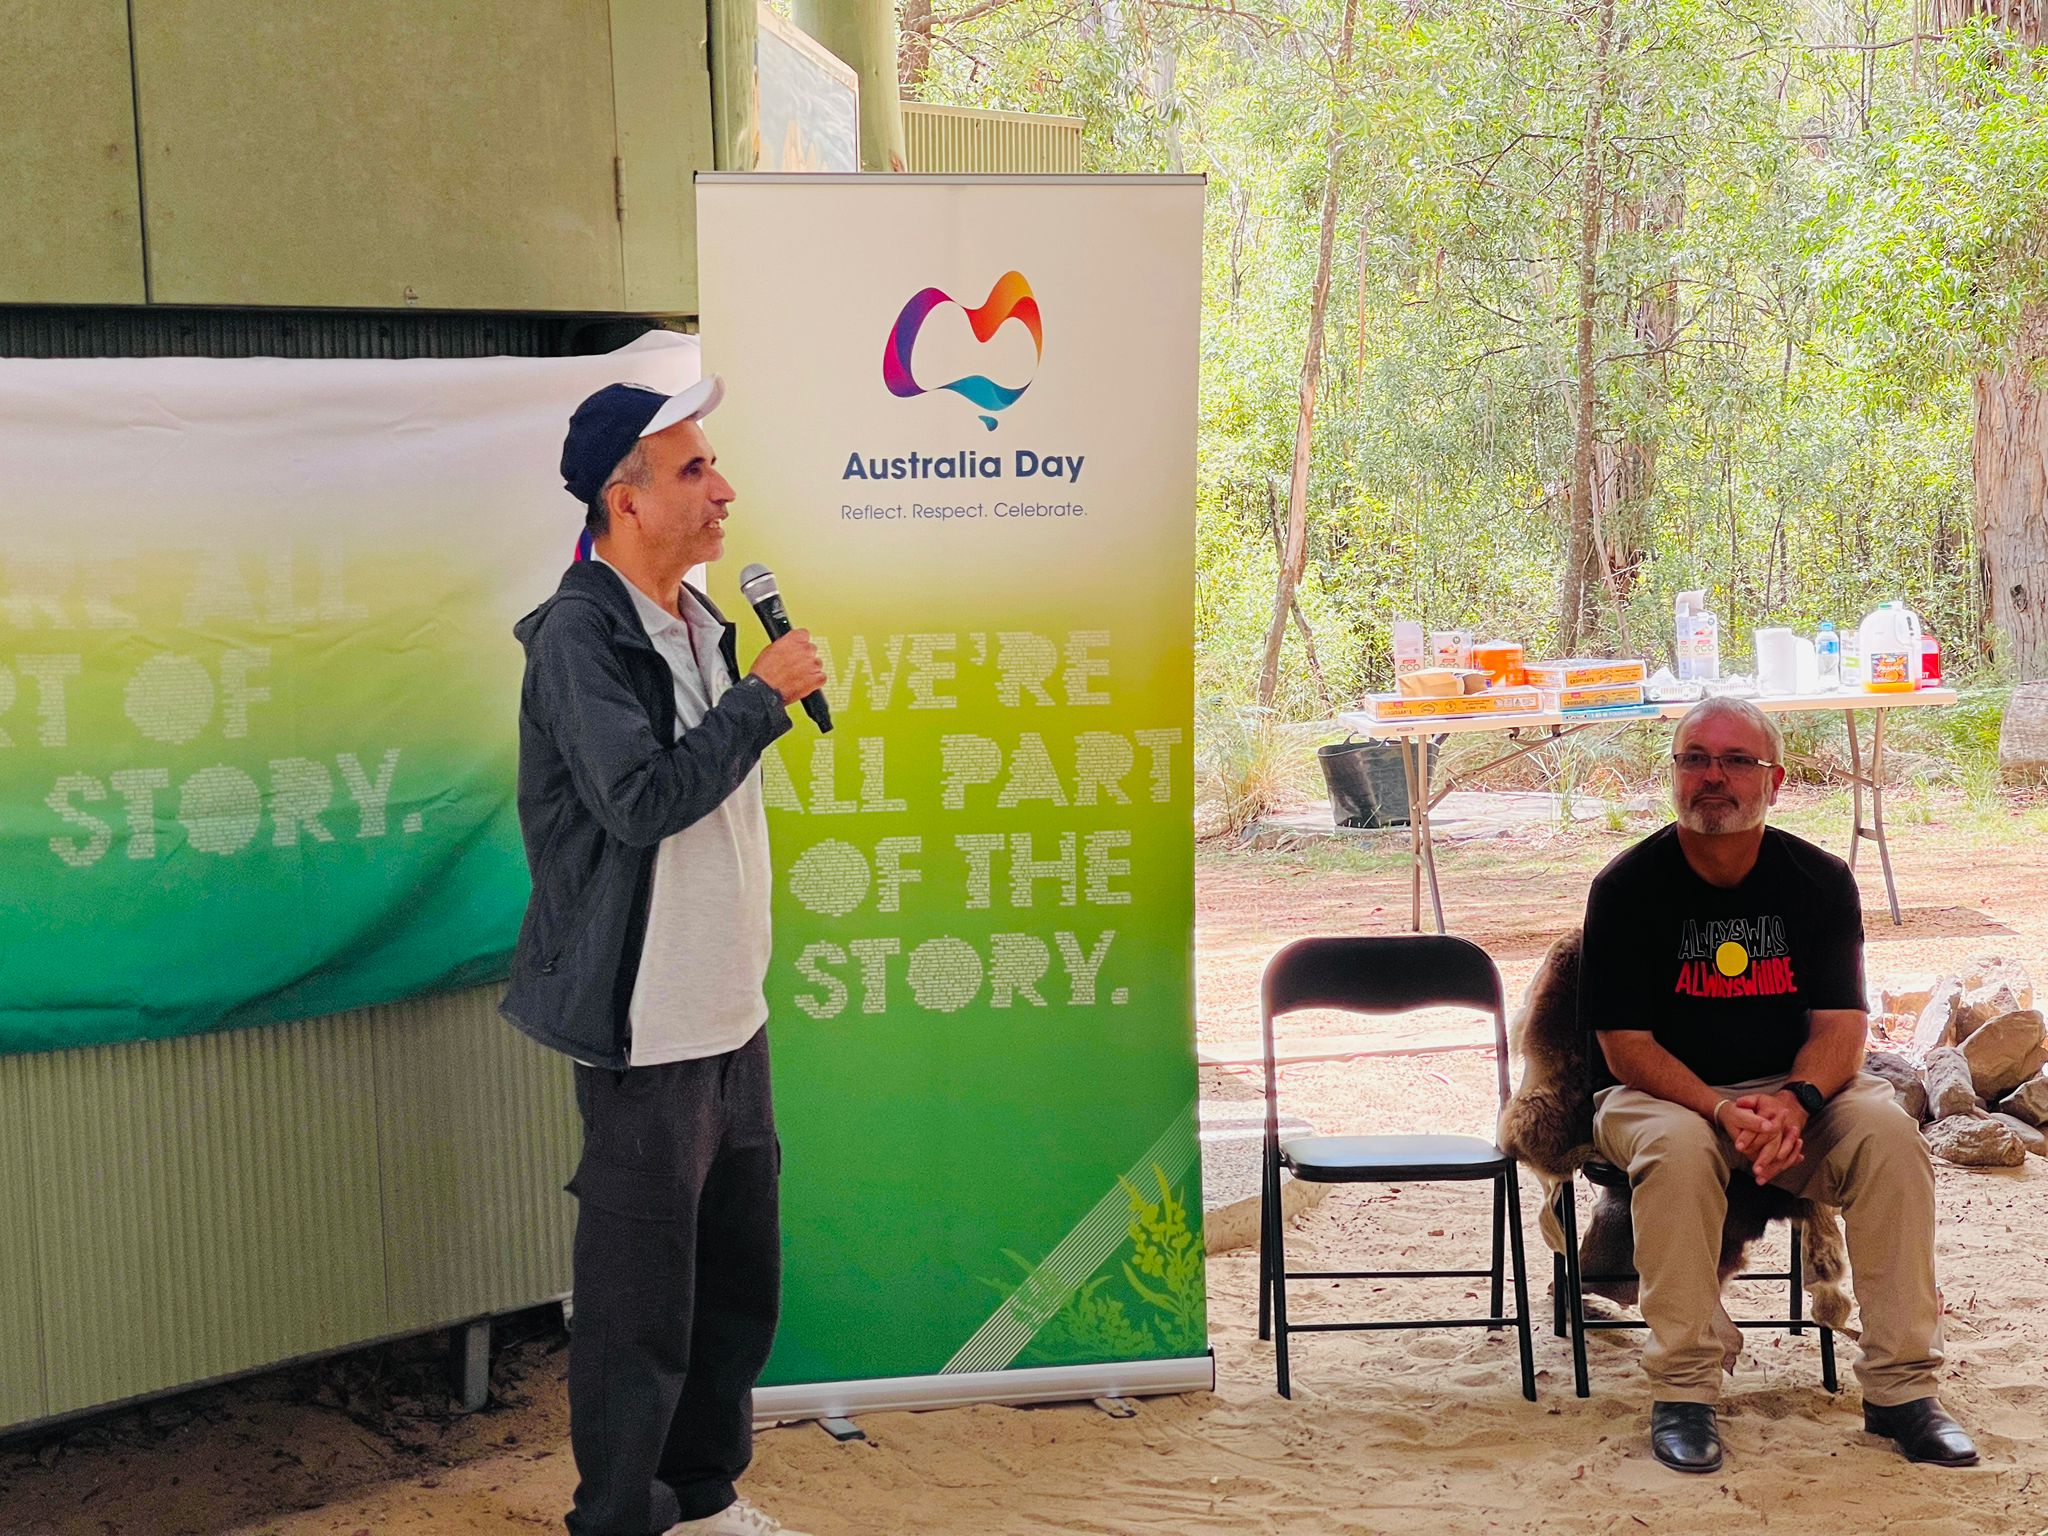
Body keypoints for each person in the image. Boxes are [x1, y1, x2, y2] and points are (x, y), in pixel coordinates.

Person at [501, 374, 825, 1536]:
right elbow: (639, 803)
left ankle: (699, 1499)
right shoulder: (581, 638)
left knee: (735, 1285)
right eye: (693, 469)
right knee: (640, 1307)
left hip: (728, 1011)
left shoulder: (698, 619)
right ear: (621, 501)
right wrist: (759, 701)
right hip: (644, 1025)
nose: (723, 486)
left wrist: (746, 687)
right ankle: (621, 1516)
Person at [1578, 695, 1977, 1475]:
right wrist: (1722, 1107)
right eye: (1694, 759)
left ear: (1776, 781)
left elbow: (1840, 1029)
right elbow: (1625, 1048)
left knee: (1891, 1135)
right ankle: (1686, 1393)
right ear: (1674, 776)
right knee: (1680, 1148)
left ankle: (1901, 1393)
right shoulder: (1626, 887)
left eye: (1735, 761)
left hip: (1796, 1091)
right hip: (1660, 1096)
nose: (1712, 777)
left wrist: (1796, 1101)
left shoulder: (1819, 881)